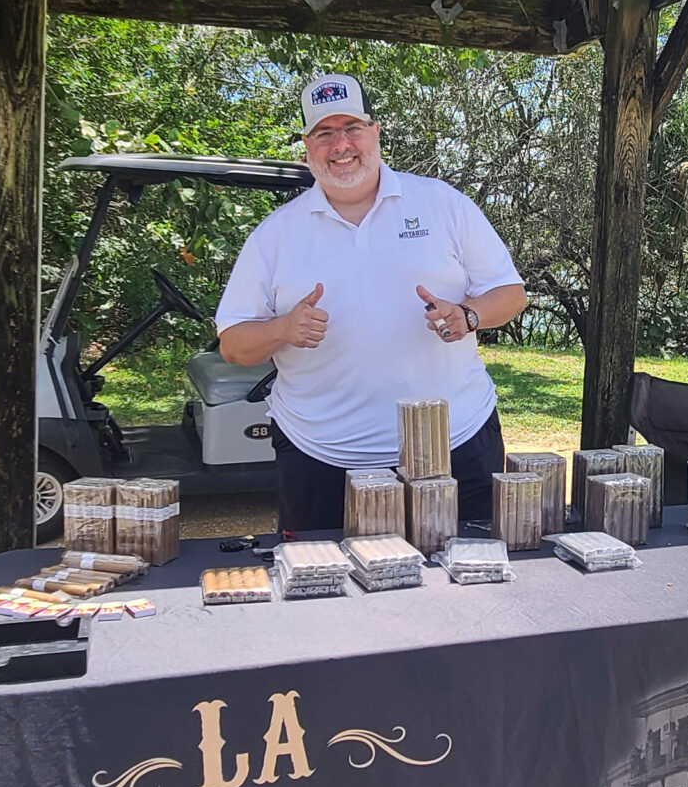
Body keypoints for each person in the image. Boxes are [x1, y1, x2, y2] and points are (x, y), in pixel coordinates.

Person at [216, 73, 528, 536]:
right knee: (327, 582)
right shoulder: (276, 234)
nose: (341, 145)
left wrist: (468, 315)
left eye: (352, 128)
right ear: (306, 146)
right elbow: (233, 344)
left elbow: (511, 293)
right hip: (320, 458)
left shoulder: (443, 204)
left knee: (470, 574)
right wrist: (282, 329)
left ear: (375, 132)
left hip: (456, 444)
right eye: (324, 133)